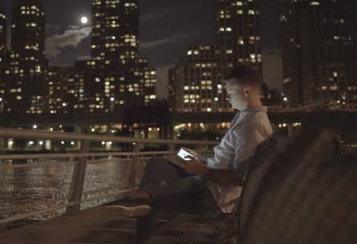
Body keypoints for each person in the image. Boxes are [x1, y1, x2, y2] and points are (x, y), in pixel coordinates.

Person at [104, 64, 273, 216]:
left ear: (247, 90)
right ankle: (141, 199)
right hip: (210, 177)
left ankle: (143, 201)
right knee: (158, 163)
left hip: (216, 196)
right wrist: (201, 160)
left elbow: (240, 178)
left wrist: (203, 169)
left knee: (158, 200)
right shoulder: (244, 116)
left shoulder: (253, 126)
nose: (227, 99)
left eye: (229, 94)